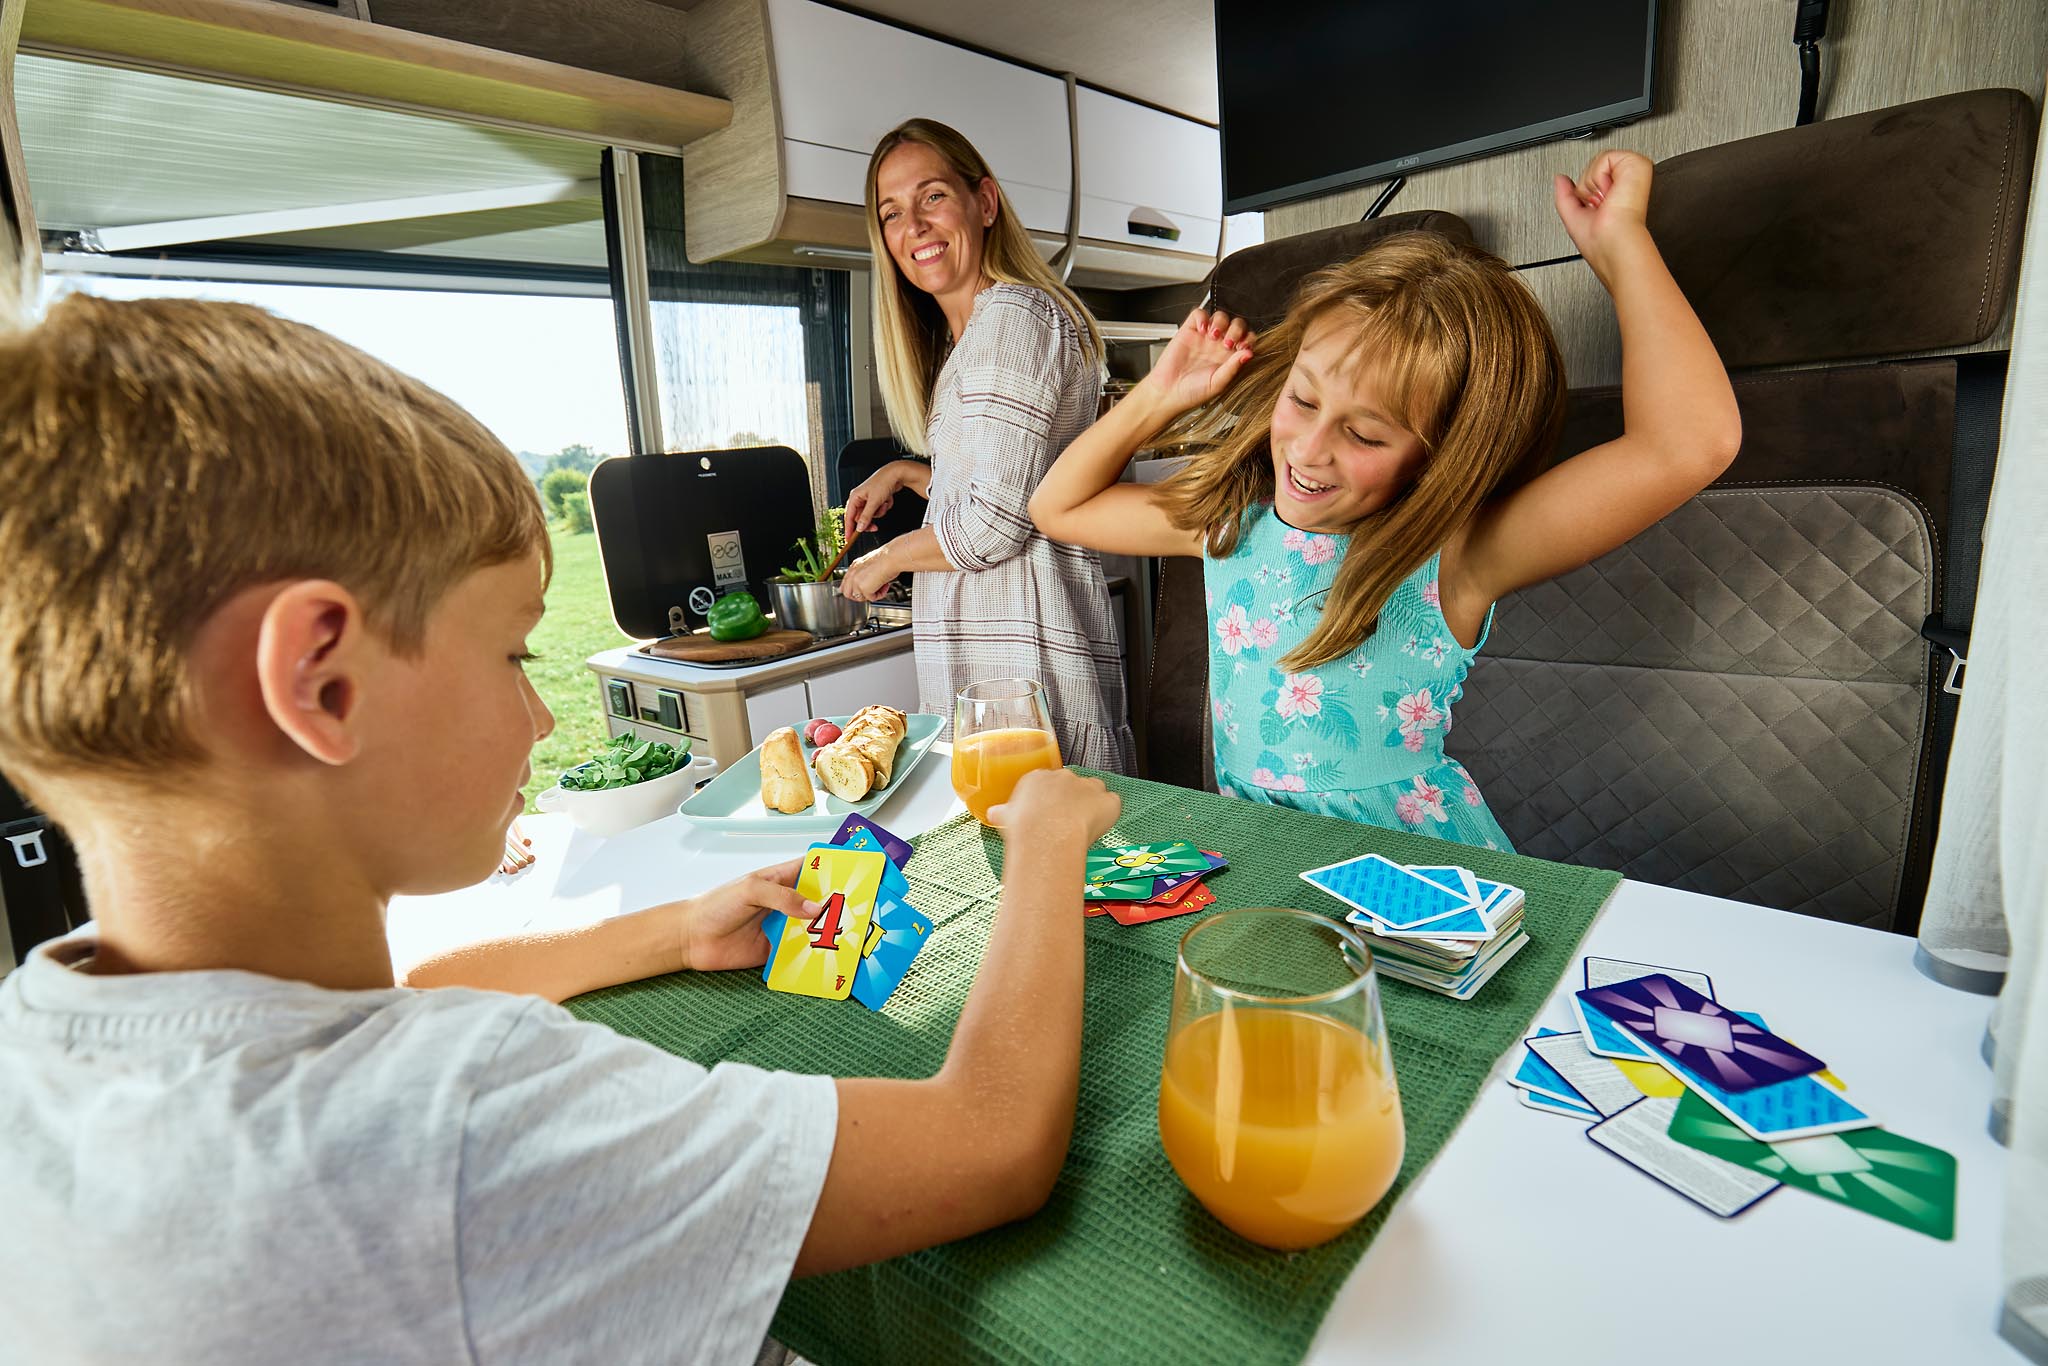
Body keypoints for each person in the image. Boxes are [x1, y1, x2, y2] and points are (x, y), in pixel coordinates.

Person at [0, 294, 1121, 1362]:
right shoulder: (463, 1122)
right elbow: (989, 1139)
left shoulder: (51, 1033)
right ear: (321, 681)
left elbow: (419, 985)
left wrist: (673, 930)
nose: (541, 716)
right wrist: (1042, 847)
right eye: (512, 654)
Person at [1031, 151, 1741, 849]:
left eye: (1365, 435)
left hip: (1417, 878)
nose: (1310, 450)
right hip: (1267, 859)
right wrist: (1158, 394)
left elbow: (1688, 444)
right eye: (1303, 400)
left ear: (1439, 454)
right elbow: (1058, 508)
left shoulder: (1460, 555)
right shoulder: (1229, 528)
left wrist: (1621, 246)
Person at [839, 118, 1135, 772]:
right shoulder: (975, 335)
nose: (914, 225)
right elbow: (1012, 486)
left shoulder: (1014, 317)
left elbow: (993, 526)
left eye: (932, 196)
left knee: (1053, 834)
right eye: (892, 213)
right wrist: (907, 473)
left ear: (986, 203)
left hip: (1029, 667)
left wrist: (887, 557)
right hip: (1001, 670)